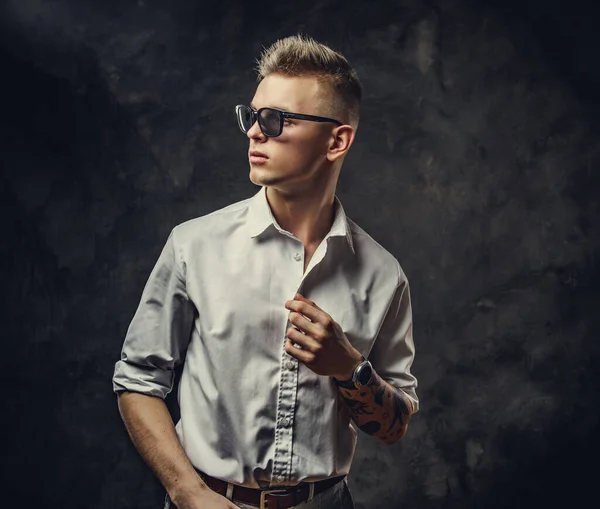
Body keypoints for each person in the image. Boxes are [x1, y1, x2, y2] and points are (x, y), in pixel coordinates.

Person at [112, 34, 419, 509]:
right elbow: (137, 382)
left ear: (337, 140)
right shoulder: (195, 246)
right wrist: (187, 492)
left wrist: (348, 368)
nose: (256, 132)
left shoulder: (383, 275)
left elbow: (396, 425)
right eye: (253, 116)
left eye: (277, 120)